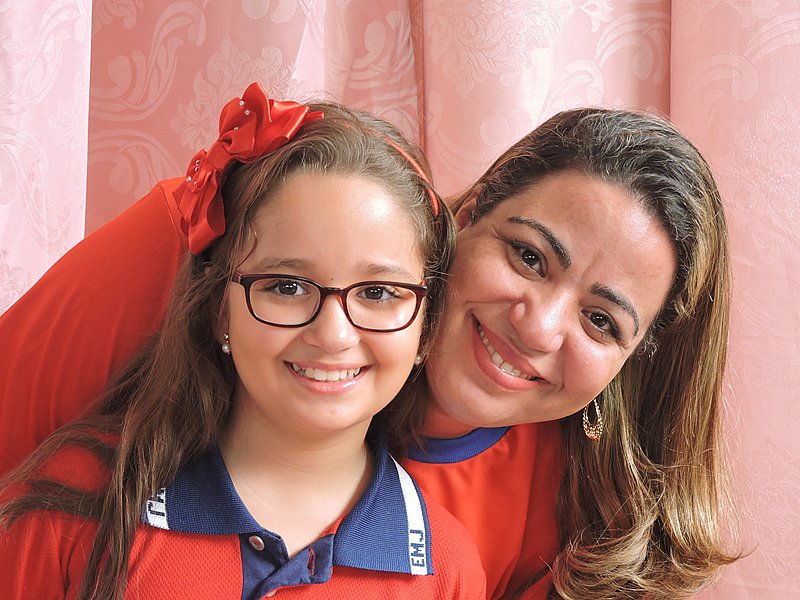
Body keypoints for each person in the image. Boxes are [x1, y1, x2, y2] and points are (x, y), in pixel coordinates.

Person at [0, 103, 737, 599]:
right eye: (528, 256)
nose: (538, 328)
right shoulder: (205, 237)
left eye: (602, 321)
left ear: (634, 359)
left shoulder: (551, 529)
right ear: (470, 211)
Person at [0, 82, 487, 599]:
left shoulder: (448, 573)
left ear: (425, 325)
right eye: (287, 287)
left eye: (378, 293)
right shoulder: (67, 507)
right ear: (218, 309)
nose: (333, 335)